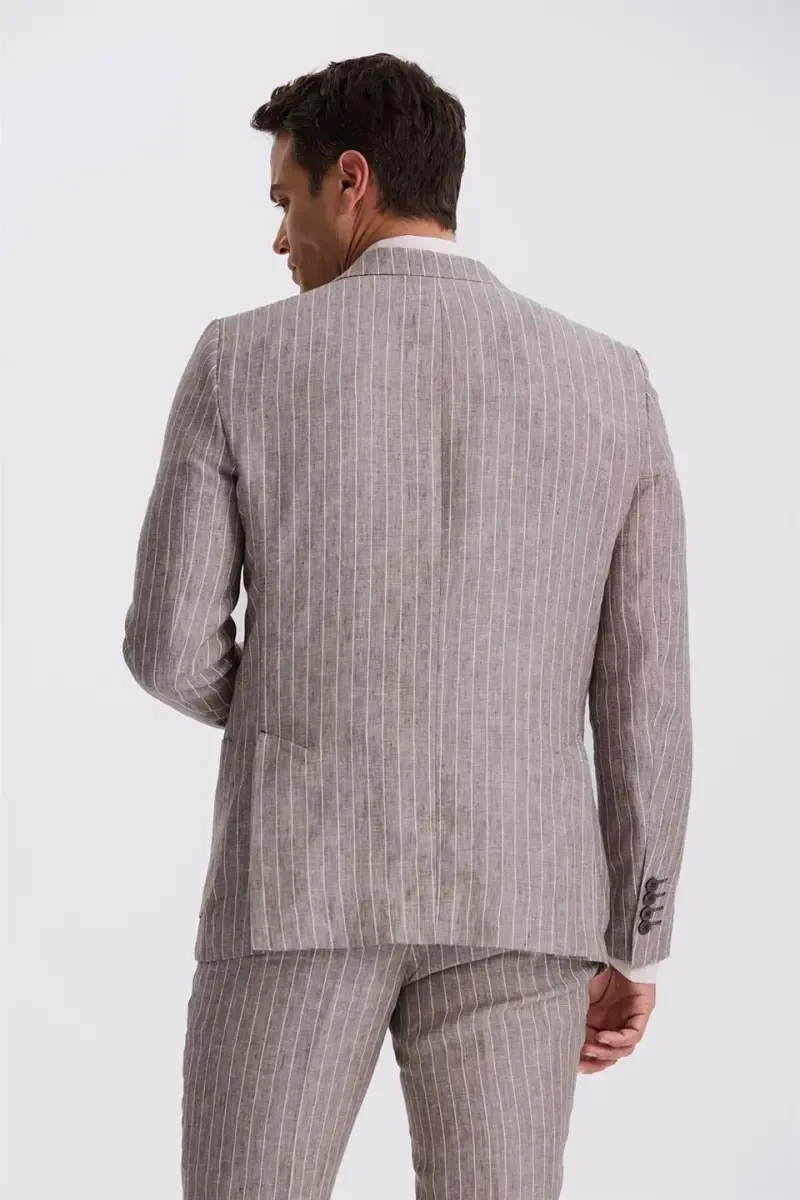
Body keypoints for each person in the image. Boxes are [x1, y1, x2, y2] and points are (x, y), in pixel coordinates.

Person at [122, 51, 692, 1200]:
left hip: (296, 884)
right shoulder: (608, 383)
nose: (278, 240)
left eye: (284, 200)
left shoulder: (241, 360)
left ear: (351, 181)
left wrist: (307, 705)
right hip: (522, 899)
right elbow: (647, 700)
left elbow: (169, 648)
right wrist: (634, 939)